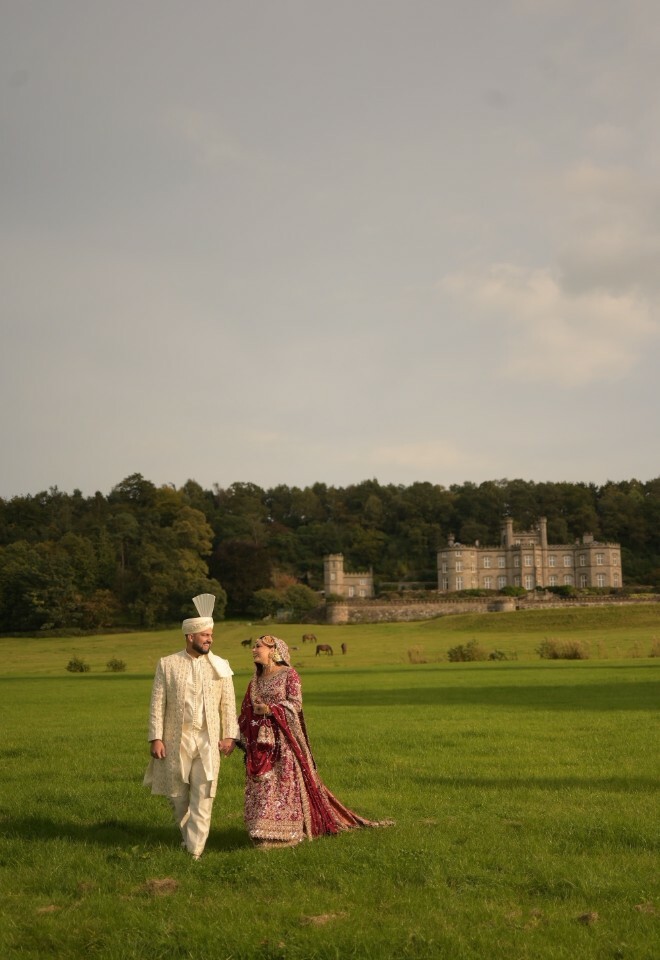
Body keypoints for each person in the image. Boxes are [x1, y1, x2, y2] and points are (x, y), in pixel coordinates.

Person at [238, 635, 393, 849]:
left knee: (283, 785)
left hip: (284, 741)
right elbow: (245, 709)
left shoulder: (289, 674)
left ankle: (288, 832)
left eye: (258, 647)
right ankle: (261, 830)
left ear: (273, 651)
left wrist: (272, 709)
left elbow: (296, 704)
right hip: (262, 745)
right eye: (254, 646)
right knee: (263, 785)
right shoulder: (256, 680)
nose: (254, 650)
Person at [144, 594, 239, 860]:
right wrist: (156, 738)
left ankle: (195, 852)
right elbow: (156, 703)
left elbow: (229, 705)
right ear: (190, 637)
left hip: (207, 742)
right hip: (176, 740)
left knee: (204, 795)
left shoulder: (221, 666)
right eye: (204, 635)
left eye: (210, 635)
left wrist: (230, 735)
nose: (209, 639)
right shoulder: (168, 664)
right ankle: (189, 840)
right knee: (178, 799)